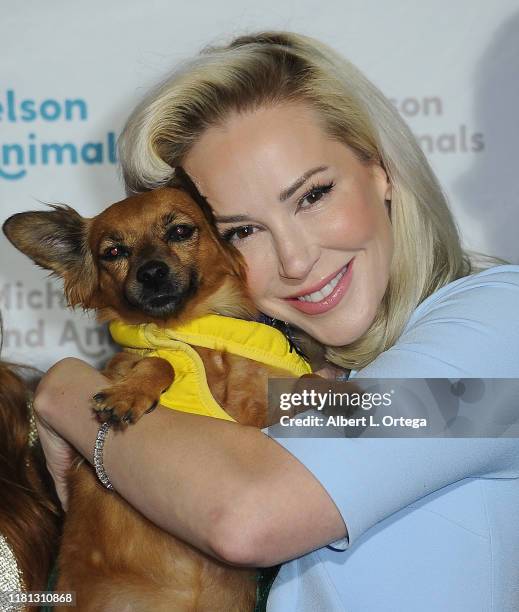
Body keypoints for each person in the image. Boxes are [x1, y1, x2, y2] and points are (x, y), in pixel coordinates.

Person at [33, 31, 519, 611]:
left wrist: (67, 393)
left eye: (313, 195)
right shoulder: (314, 381)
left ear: (381, 169)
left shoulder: (499, 325)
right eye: (242, 229)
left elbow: (247, 518)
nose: (295, 258)